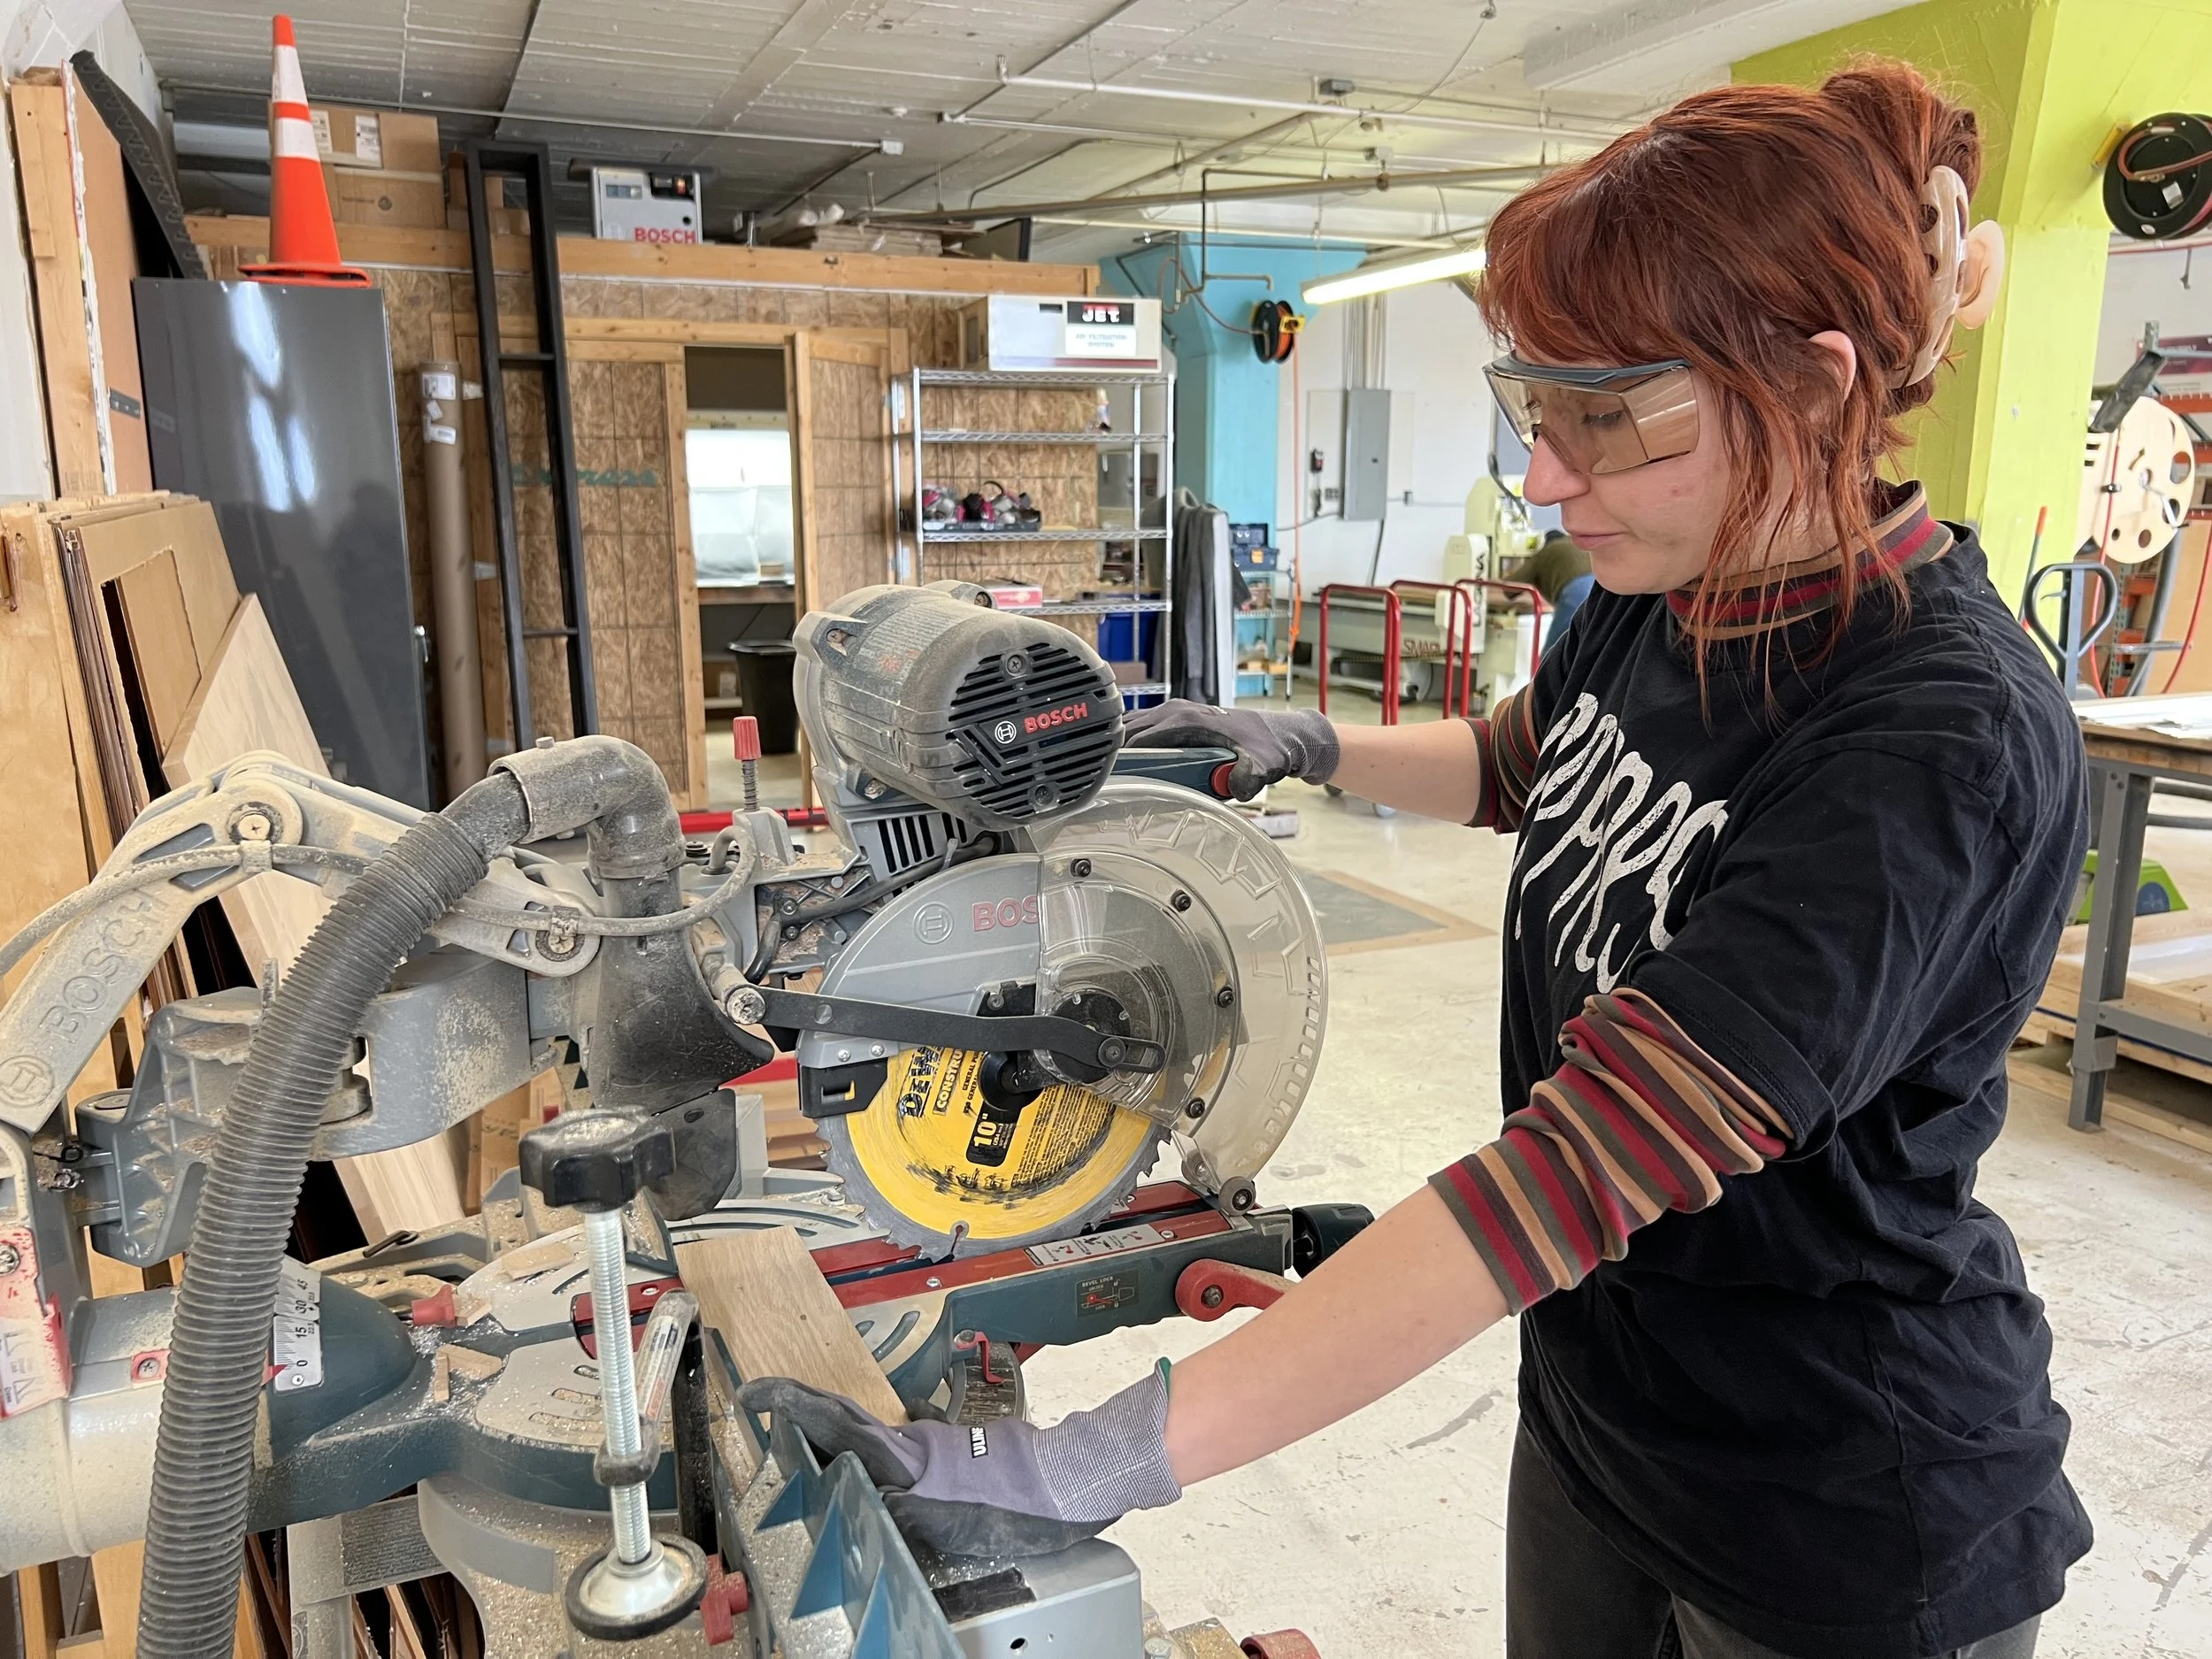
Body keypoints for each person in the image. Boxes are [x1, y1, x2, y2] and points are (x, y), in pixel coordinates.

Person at [742, 61, 2092, 1659]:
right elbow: (1520, 768)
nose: (1544, 473)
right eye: (1541, 404)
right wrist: (1295, 742)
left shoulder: (1935, 735)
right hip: (1605, 1421)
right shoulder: (1667, 588)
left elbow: (1570, 1179)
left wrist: (1086, 1457)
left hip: (1844, 1501)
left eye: (1612, 416)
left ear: (1811, 382)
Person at [1522, 526, 1596, 641]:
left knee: (1554, 647)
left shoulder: (1547, 551)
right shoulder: (1578, 544)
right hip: (1601, 590)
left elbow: (1512, 586)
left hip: (1577, 593)